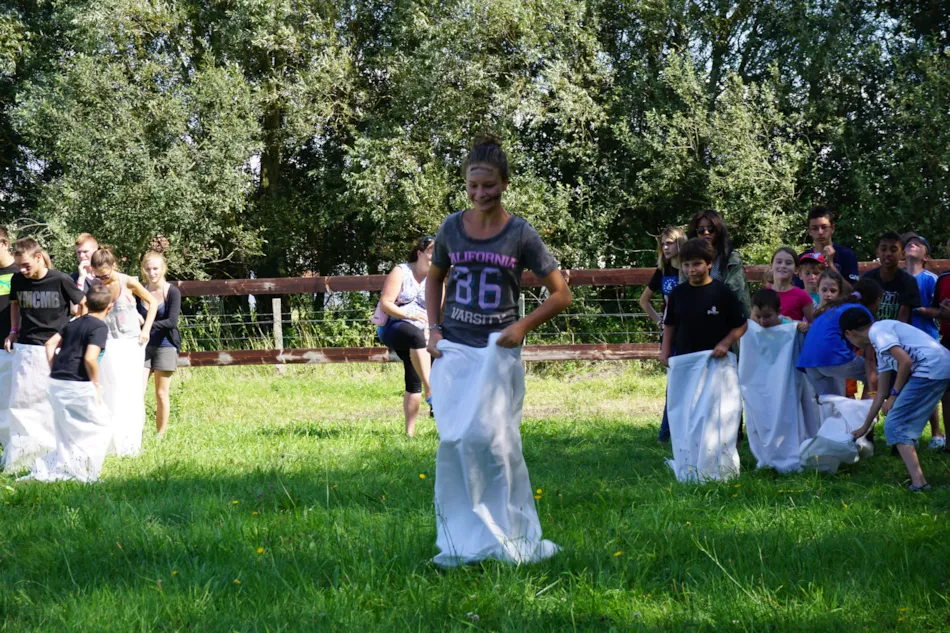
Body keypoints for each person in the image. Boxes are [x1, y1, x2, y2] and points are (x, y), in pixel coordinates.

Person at [425, 134, 571, 567]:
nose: (480, 193)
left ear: (504, 183)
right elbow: (434, 279)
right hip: (455, 350)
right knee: (455, 440)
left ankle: (510, 531)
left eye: (488, 185)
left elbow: (560, 294)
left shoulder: (521, 233)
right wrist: (433, 330)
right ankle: (462, 534)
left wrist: (522, 326)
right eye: (473, 186)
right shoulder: (451, 227)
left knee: (497, 443)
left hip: (496, 355)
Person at [840, 308, 950, 491]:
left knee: (895, 425)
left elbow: (905, 362)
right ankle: (919, 482)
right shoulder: (880, 345)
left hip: (930, 370)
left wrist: (894, 396)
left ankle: (919, 484)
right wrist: (864, 427)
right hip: (939, 367)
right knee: (898, 424)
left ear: (849, 333)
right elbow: (881, 393)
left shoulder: (878, 331)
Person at [3, 238, 86, 472]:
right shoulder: (18, 279)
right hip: (26, 349)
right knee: (22, 404)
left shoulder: (61, 280)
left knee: (53, 403)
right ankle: (22, 457)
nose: (21, 270)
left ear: (38, 257)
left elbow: (84, 307)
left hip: (54, 351)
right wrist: (13, 331)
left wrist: (64, 334)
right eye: (19, 265)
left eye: (26, 265)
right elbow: (15, 305)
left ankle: (56, 453)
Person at [27, 284, 114, 482]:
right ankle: (85, 472)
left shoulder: (73, 323)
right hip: (78, 383)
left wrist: (54, 368)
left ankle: (63, 466)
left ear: (87, 302)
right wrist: (96, 384)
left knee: (66, 431)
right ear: (109, 307)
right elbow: (90, 358)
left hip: (57, 381)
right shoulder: (99, 327)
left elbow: (49, 344)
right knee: (101, 426)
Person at [90, 247, 156, 456]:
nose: (102, 279)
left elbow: (153, 302)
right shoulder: (94, 284)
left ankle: (129, 443)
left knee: (130, 392)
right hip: (107, 343)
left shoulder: (128, 281)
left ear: (114, 267)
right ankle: (109, 442)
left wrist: (146, 329)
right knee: (109, 390)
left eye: (106, 275)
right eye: (97, 275)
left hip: (129, 344)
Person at [377, 236, 435, 436]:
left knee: (414, 372)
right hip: (395, 323)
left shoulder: (437, 276)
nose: (434, 257)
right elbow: (386, 303)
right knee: (416, 339)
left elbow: (438, 310)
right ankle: (431, 390)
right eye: (430, 252)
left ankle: (409, 433)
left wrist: (433, 329)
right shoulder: (401, 271)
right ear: (419, 253)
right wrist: (409, 314)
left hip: (423, 329)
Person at [661, 238, 748, 365]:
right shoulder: (677, 293)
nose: (691, 269)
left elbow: (742, 325)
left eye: (697, 264)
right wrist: (665, 350)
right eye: (686, 264)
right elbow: (669, 324)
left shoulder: (723, 293)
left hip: (717, 362)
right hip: (686, 360)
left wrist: (726, 343)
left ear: (709, 263)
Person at [796, 278, 883, 397]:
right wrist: (873, 393)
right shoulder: (862, 313)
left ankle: (853, 407)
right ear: (877, 300)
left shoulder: (834, 307)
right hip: (832, 356)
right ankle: (866, 411)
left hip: (808, 361)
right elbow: (869, 359)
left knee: (831, 404)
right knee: (875, 374)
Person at [639, 227, 686, 443]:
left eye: (670, 243)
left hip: (692, 331)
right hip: (670, 334)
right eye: (663, 244)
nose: (666, 247)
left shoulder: (689, 269)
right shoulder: (662, 271)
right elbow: (643, 301)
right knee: (674, 383)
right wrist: (660, 321)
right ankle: (665, 434)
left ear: (680, 243)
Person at [900, 232, 943, 448]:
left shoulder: (930, 280)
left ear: (926, 257)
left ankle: (937, 433)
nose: (912, 244)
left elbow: (939, 311)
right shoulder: (898, 278)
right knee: (906, 385)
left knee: (927, 385)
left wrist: (916, 308)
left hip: (927, 338)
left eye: (919, 243)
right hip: (901, 340)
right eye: (908, 243)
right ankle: (909, 434)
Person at [137, 251, 181, 437]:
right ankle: (135, 432)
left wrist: (146, 325)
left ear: (163, 269)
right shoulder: (139, 290)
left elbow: (172, 321)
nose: (152, 272)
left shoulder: (172, 291)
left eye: (155, 268)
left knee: (161, 394)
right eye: (148, 269)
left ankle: (160, 435)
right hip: (142, 347)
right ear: (143, 270)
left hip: (166, 344)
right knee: (137, 392)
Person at [685, 210, 751, 318]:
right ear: (695, 233)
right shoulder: (687, 260)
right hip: (697, 316)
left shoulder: (732, 258)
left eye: (711, 229)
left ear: (719, 231)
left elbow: (734, 293)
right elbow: (684, 291)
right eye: (701, 230)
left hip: (729, 317)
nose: (706, 233)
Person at [861, 232, 920, 323]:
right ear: (877, 252)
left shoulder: (908, 282)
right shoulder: (868, 278)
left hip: (897, 332)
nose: (888, 253)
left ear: (903, 254)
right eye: (883, 249)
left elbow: (903, 319)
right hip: (870, 330)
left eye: (893, 250)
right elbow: (862, 310)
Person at [800, 206, 859, 285]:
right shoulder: (802, 259)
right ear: (809, 231)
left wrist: (831, 265)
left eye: (824, 227)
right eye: (815, 228)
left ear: (832, 228)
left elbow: (852, 291)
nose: (820, 232)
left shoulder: (847, 255)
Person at [0, 227, 19, 450]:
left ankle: (11, 443)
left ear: (5, 244)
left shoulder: (20, 272)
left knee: (11, 399)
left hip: (12, 345)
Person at [767, 247, 815, 324]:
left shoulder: (802, 296)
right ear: (771, 266)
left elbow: (815, 325)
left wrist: (806, 327)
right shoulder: (763, 294)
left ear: (796, 270)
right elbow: (754, 322)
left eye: (788, 263)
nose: (783, 266)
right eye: (779, 262)